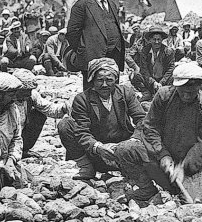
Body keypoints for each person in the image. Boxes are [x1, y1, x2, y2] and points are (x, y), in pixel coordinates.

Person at [115, 62, 202, 206]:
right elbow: (150, 127)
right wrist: (163, 154)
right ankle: (146, 188)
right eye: (182, 89)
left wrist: (183, 167)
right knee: (126, 149)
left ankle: (178, 185)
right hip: (161, 155)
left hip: (191, 164)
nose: (186, 94)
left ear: (199, 86)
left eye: (191, 90)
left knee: (197, 202)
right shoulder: (164, 95)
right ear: (175, 85)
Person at [57, 57, 146, 191]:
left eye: (109, 80)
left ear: (115, 80)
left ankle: (129, 167)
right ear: (92, 80)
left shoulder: (125, 93)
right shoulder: (82, 99)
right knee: (65, 125)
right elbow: (82, 131)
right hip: (96, 152)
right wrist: (97, 147)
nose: (104, 84)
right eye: (100, 80)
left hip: (122, 149)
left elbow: (141, 119)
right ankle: (86, 167)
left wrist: (133, 141)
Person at [66, 0, 126, 78]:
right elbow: (72, 32)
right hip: (92, 57)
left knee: (112, 89)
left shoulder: (112, 4)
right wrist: (83, 51)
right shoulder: (82, 5)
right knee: (92, 91)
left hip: (114, 56)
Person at [10, 69, 69, 159]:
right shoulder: (6, 99)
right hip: (6, 137)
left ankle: (24, 149)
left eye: (30, 90)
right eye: (26, 90)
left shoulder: (31, 96)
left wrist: (63, 108)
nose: (29, 93)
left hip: (21, 134)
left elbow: (47, 108)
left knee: (39, 115)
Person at [130, 23, 176, 101]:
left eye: (159, 39)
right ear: (150, 40)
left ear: (162, 39)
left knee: (174, 76)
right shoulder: (144, 51)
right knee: (135, 75)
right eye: (154, 39)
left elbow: (170, 68)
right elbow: (144, 69)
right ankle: (146, 92)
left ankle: (165, 92)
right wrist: (153, 82)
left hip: (163, 79)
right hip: (150, 79)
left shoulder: (168, 51)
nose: (156, 42)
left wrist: (162, 82)